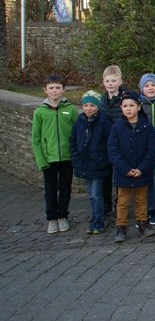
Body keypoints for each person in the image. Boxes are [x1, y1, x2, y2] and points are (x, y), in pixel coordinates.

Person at [32, 74, 79, 234]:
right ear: (45, 90)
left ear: (63, 89)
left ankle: (62, 216)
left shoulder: (71, 110)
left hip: (67, 157)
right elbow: (36, 138)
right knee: (50, 190)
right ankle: (52, 218)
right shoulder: (40, 112)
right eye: (51, 88)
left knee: (65, 188)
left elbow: (76, 134)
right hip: (49, 158)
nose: (54, 90)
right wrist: (41, 159)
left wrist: (75, 154)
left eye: (58, 87)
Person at [108, 89, 155, 242]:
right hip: (123, 172)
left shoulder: (147, 127)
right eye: (125, 106)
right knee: (122, 201)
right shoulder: (117, 127)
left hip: (142, 171)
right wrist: (125, 169)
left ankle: (143, 223)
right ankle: (121, 226)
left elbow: (151, 150)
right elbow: (113, 150)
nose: (128, 109)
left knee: (141, 199)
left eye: (131, 105)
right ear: (121, 108)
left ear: (139, 107)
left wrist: (142, 168)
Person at [70, 90, 110, 234]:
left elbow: (109, 143)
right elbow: (73, 142)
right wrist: (76, 159)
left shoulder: (104, 122)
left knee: (95, 194)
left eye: (92, 105)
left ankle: (98, 221)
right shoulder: (79, 122)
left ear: (98, 106)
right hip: (85, 163)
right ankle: (96, 215)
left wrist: (104, 160)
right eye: (86, 105)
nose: (89, 108)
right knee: (92, 193)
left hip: (98, 163)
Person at [139, 73, 155, 226]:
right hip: (142, 149)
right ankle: (141, 210)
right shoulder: (138, 104)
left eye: (153, 85)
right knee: (142, 181)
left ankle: (152, 209)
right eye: (146, 85)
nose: (150, 88)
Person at [101, 64, 125, 215]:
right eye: (107, 81)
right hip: (104, 143)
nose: (110, 84)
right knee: (105, 175)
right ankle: (106, 204)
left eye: (113, 81)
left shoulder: (124, 98)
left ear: (120, 82)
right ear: (103, 82)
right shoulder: (101, 100)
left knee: (119, 176)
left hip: (119, 143)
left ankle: (119, 204)